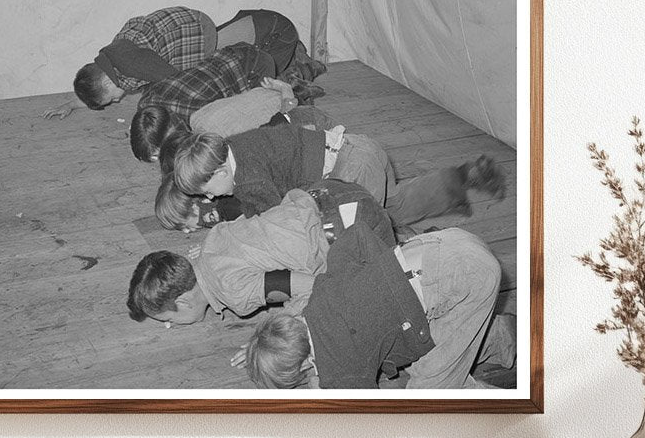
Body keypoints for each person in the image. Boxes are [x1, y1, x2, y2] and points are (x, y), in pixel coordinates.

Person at [242, 211, 516, 390]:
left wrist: (323, 383)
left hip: (467, 277)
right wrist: (388, 275)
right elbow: (357, 233)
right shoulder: (319, 297)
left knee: (430, 394)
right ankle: (505, 338)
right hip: (443, 242)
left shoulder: (340, 369)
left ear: (304, 366)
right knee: (427, 358)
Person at [129, 184, 391, 323]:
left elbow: (313, 286)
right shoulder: (211, 240)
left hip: (352, 228)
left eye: (169, 319)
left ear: (184, 302)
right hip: (328, 192)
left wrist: (274, 331)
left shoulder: (233, 292)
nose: (172, 324)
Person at [172, 123, 505, 226]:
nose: (211, 197)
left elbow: (277, 222)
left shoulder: (249, 178)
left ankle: (423, 254)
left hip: (353, 169)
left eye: (208, 188)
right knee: (395, 209)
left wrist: (228, 232)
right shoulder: (234, 146)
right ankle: (465, 177)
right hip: (360, 148)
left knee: (359, 237)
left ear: (219, 167)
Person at [129, 42, 279, 161]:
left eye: (157, 156)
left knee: (263, 127)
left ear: (168, 133)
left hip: (252, 68)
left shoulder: (198, 120)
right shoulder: (145, 105)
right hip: (230, 54)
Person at [72, 6, 217, 110]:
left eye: (111, 99)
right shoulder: (111, 58)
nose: (116, 100)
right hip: (182, 19)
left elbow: (177, 83)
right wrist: (72, 105)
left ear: (107, 82)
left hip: (199, 31)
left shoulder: (132, 63)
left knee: (188, 85)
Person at [214, 9, 326, 101]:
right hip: (268, 25)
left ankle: (303, 79)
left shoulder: (210, 53)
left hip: (278, 32)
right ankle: (305, 64)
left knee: (266, 89)